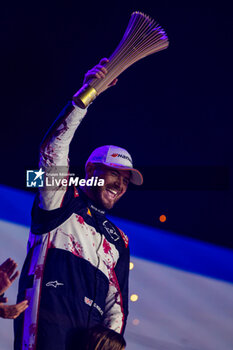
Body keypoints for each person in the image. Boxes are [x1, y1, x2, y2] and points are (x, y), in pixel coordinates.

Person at [14, 58, 143, 350]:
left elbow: (117, 303)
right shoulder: (62, 199)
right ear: (90, 172)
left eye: (125, 180)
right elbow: (52, 151)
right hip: (45, 336)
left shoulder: (118, 239)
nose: (120, 184)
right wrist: (84, 97)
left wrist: (111, 340)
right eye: (114, 174)